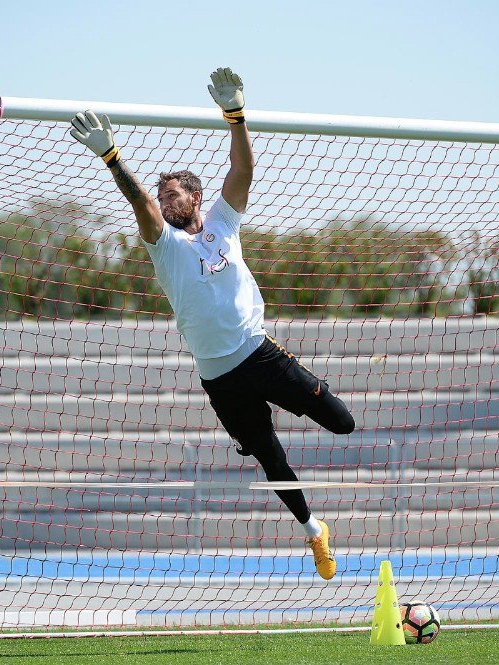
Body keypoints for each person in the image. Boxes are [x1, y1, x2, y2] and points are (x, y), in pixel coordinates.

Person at [69, 67, 355, 580]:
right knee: (270, 459)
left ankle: (301, 404)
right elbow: (138, 202)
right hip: (219, 377)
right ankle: (315, 532)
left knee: (342, 422)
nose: (162, 198)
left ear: (195, 197)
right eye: (160, 193)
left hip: (261, 355)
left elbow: (242, 170)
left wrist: (236, 118)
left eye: (171, 192)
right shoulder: (164, 244)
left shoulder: (224, 221)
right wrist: (113, 158)